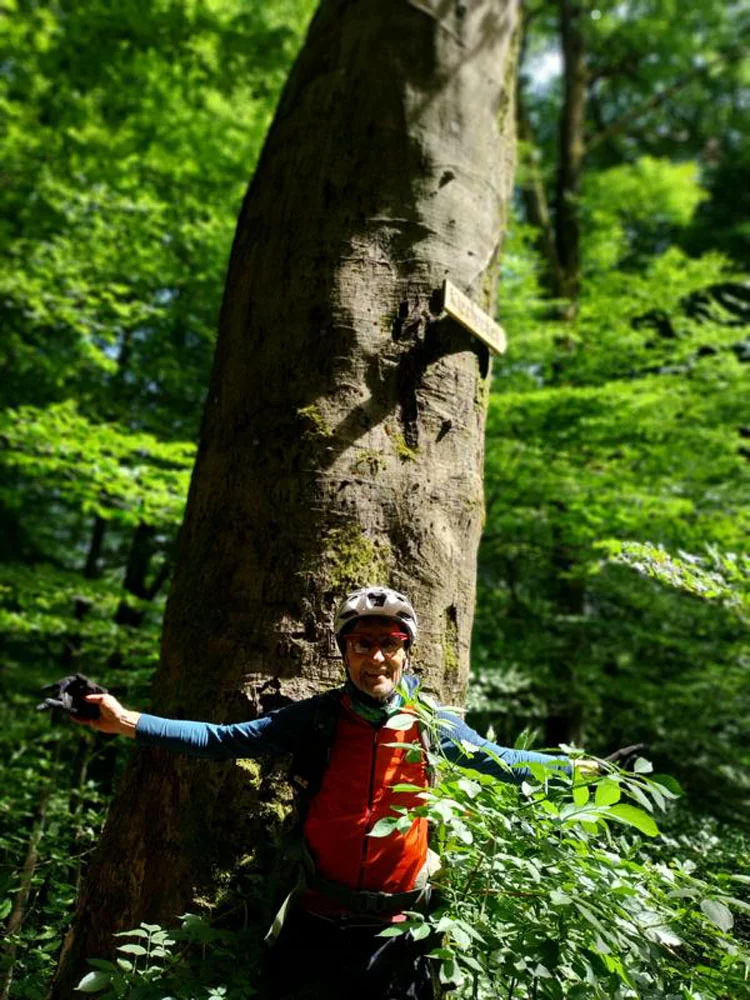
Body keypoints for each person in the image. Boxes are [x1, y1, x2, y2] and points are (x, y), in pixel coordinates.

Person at [77, 586, 573, 1000]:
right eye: (361, 644)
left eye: (390, 643)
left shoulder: (431, 724)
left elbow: (504, 761)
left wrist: (579, 770)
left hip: (399, 931)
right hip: (316, 922)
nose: (376, 658)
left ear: (406, 651)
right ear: (343, 652)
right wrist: (127, 721)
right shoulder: (317, 717)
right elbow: (224, 740)